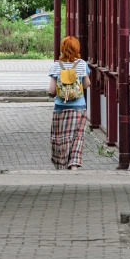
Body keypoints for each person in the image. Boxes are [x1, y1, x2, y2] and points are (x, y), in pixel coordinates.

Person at [47, 36, 91, 170]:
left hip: (60, 107)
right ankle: (74, 164)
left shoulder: (56, 65)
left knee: (61, 138)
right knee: (77, 137)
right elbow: (87, 84)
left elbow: (52, 90)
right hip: (79, 107)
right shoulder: (82, 64)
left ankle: (61, 164)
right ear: (77, 48)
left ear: (62, 49)